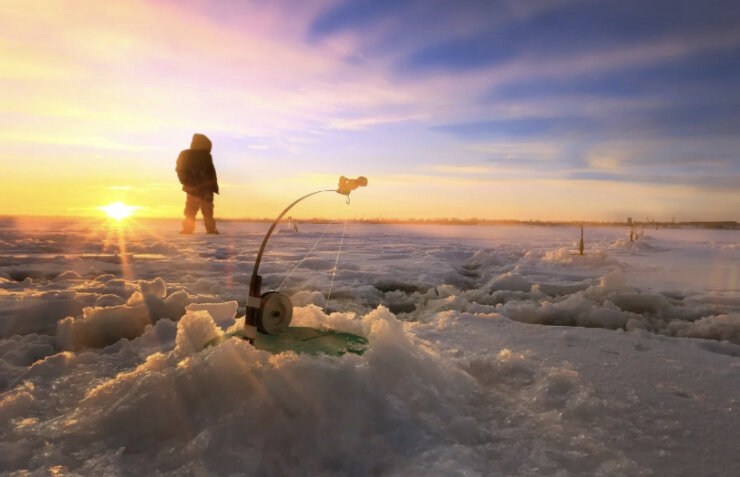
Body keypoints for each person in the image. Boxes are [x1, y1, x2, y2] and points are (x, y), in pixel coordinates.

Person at [176, 133, 220, 234]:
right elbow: (180, 169)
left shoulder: (206, 156)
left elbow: (211, 172)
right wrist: (186, 182)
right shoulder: (186, 154)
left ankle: (208, 229)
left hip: (204, 188)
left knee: (204, 209)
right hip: (197, 188)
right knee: (193, 209)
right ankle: (190, 228)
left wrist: (213, 186)